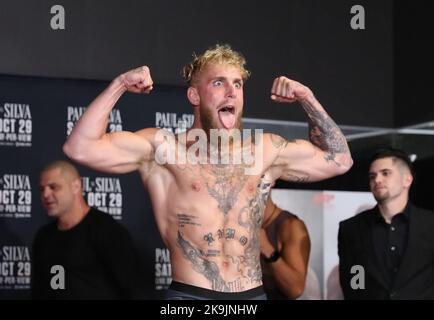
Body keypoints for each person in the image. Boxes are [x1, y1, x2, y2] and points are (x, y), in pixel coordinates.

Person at [63, 44, 353, 299]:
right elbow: (80, 148)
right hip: (192, 297)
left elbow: (340, 160)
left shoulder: (264, 150)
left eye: (238, 84)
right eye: (219, 83)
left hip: (251, 298)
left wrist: (307, 97)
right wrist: (121, 84)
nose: (232, 92)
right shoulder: (164, 149)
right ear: (194, 95)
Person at [31, 160, 138, 299]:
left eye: (53, 187)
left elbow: (132, 288)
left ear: (76, 186)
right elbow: (39, 291)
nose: (45, 195)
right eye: (42, 189)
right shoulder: (43, 237)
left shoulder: (106, 230)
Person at [338, 148, 434, 299]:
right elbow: (354, 279)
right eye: (372, 176)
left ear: (407, 179)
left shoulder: (430, 224)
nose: (377, 180)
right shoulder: (351, 228)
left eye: (385, 173)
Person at [260, 195, 310, 299]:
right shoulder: (234, 224)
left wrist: (267, 248)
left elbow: (296, 289)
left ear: (272, 181)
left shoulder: (291, 226)